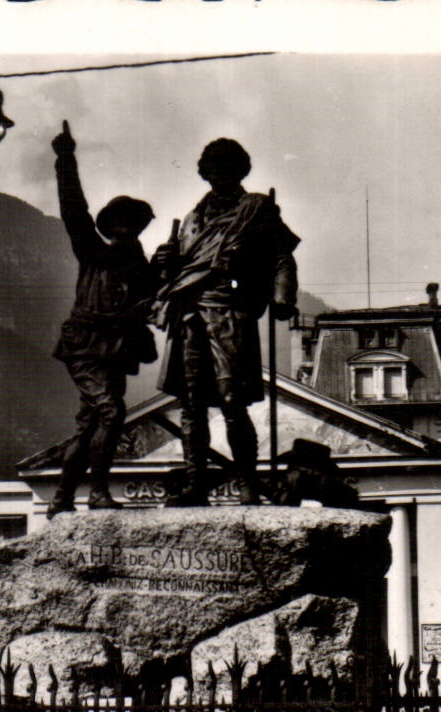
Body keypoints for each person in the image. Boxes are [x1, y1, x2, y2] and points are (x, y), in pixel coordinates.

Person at [154, 137, 299, 507]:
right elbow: (179, 270)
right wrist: (167, 261)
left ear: (241, 170)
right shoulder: (190, 220)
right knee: (190, 404)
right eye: (213, 167)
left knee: (232, 401)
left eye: (228, 166)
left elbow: (282, 257)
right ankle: (195, 484)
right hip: (189, 315)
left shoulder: (256, 209)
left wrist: (283, 296)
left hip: (231, 311)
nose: (220, 173)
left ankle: (248, 484)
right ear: (205, 172)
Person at [47, 121, 159, 517]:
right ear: (109, 228)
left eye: (135, 224)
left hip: (115, 351)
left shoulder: (143, 268)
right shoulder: (94, 252)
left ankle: (61, 498)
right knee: (111, 413)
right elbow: (74, 210)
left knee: (90, 423)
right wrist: (65, 160)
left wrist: (164, 269)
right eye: (120, 224)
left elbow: (152, 303)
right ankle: (96, 493)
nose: (127, 230)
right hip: (85, 344)